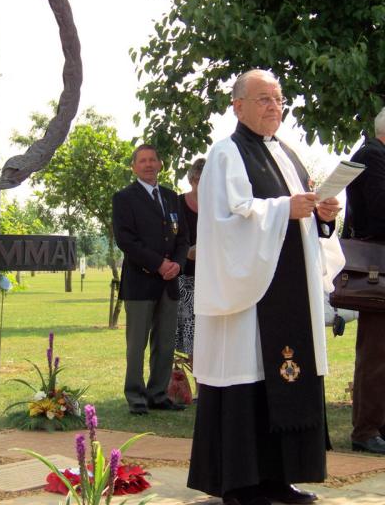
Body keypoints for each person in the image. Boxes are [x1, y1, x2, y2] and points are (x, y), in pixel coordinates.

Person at [187, 69, 344, 505]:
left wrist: (321, 213)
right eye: (263, 99)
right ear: (237, 106)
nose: (274, 107)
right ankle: (241, 483)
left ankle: (280, 476)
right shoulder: (226, 154)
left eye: (278, 100)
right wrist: (283, 209)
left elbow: (300, 215)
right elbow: (226, 220)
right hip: (250, 301)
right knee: (249, 379)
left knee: (285, 379)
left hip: (288, 291)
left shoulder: (288, 154)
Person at [112, 144, 189, 414]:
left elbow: (183, 239)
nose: (148, 164)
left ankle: (158, 394)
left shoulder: (171, 198)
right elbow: (126, 240)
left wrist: (177, 265)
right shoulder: (124, 198)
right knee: (137, 345)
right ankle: (136, 397)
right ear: (133, 167)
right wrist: (158, 264)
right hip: (140, 282)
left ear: (160, 164)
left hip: (169, 283)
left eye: (152, 160)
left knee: (165, 343)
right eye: (142, 161)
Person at [342, 108, 385, 455]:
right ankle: (366, 429)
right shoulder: (372, 155)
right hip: (377, 269)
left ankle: (377, 426)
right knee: (376, 353)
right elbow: (379, 210)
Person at [175, 158, 205, 369]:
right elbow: (167, 239)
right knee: (191, 335)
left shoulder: (220, 206)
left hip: (213, 279)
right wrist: (186, 253)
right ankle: (193, 386)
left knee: (209, 334)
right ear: (193, 179)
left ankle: (207, 386)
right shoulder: (176, 204)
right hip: (186, 278)